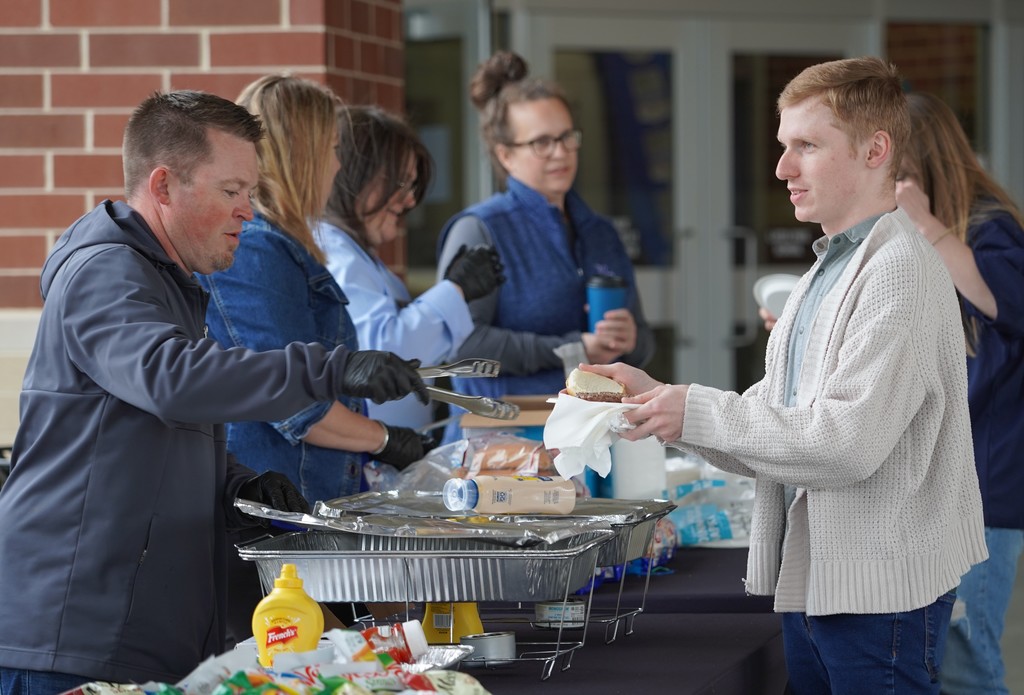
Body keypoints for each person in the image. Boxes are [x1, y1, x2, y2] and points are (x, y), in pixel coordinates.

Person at [0, 89, 426, 694]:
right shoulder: (105, 272)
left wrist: (235, 482)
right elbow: (171, 380)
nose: (247, 212)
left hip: (138, 636)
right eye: (231, 192)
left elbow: (155, 429)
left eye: (249, 193)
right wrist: (330, 370)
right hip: (73, 640)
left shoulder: (170, 280)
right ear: (165, 186)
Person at [586, 57, 988, 694]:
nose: (782, 169)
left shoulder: (899, 272)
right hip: (824, 582)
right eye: (783, 146)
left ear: (875, 150)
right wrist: (662, 401)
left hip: (875, 595)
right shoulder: (827, 269)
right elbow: (777, 419)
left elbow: (841, 444)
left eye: (807, 146)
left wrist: (688, 409)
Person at [436, 51, 654, 435]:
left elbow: (642, 344)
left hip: (593, 439)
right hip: (504, 447)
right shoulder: (480, 231)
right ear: (505, 155)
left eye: (567, 137)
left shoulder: (599, 232)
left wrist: (631, 340)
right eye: (541, 142)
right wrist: (576, 349)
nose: (561, 152)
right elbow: (460, 345)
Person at [895, 92, 1024, 695]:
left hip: (984, 487)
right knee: (937, 656)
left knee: (966, 663)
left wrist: (925, 223)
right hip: (939, 482)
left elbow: (1003, 304)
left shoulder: (987, 228)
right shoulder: (926, 237)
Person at [316, 105, 505, 431]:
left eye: (413, 187)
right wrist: (455, 289)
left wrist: (447, 293)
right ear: (355, 176)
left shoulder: (356, 253)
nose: (409, 201)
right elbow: (384, 355)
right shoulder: (335, 254)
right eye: (400, 184)